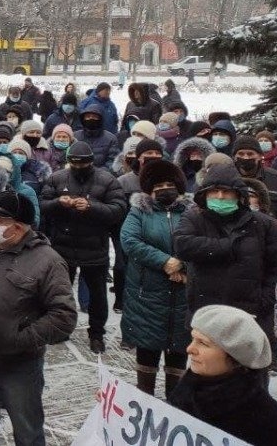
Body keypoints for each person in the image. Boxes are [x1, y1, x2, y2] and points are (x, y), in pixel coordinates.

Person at [0, 190, 77, 446]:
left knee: (27, 431)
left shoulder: (48, 261)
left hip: (18, 367)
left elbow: (64, 316)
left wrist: (19, 338)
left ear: (19, 227)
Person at [173, 162, 277, 372]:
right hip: (205, 310)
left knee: (246, 377)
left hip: (248, 314)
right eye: (214, 191)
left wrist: (265, 297)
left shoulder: (262, 224)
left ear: (239, 195)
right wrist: (226, 246)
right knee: (206, 373)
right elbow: (183, 245)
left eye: (226, 192)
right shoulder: (194, 217)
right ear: (204, 194)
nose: (221, 197)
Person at [170, 305, 277, 445]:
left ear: (235, 357)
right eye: (193, 339)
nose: (190, 349)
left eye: (203, 343)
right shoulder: (184, 393)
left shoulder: (275, 427)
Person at [39, 141, 127, 353]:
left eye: (83, 163)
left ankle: (96, 334)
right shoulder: (57, 178)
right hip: (62, 246)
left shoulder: (107, 180)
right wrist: (60, 203)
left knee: (98, 295)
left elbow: (118, 210)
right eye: (74, 163)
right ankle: (61, 327)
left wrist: (91, 207)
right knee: (60, 293)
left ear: (91, 162)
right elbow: (43, 204)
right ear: (69, 162)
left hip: (95, 247)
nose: (79, 167)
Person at [119, 160, 191, 399]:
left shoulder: (192, 212)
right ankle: (145, 400)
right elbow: (130, 241)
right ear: (149, 188)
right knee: (147, 348)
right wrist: (164, 262)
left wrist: (182, 264)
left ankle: (175, 402)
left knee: (179, 349)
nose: (165, 189)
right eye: (159, 184)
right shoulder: (139, 211)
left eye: (170, 184)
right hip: (146, 293)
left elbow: (201, 243)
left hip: (182, 293)